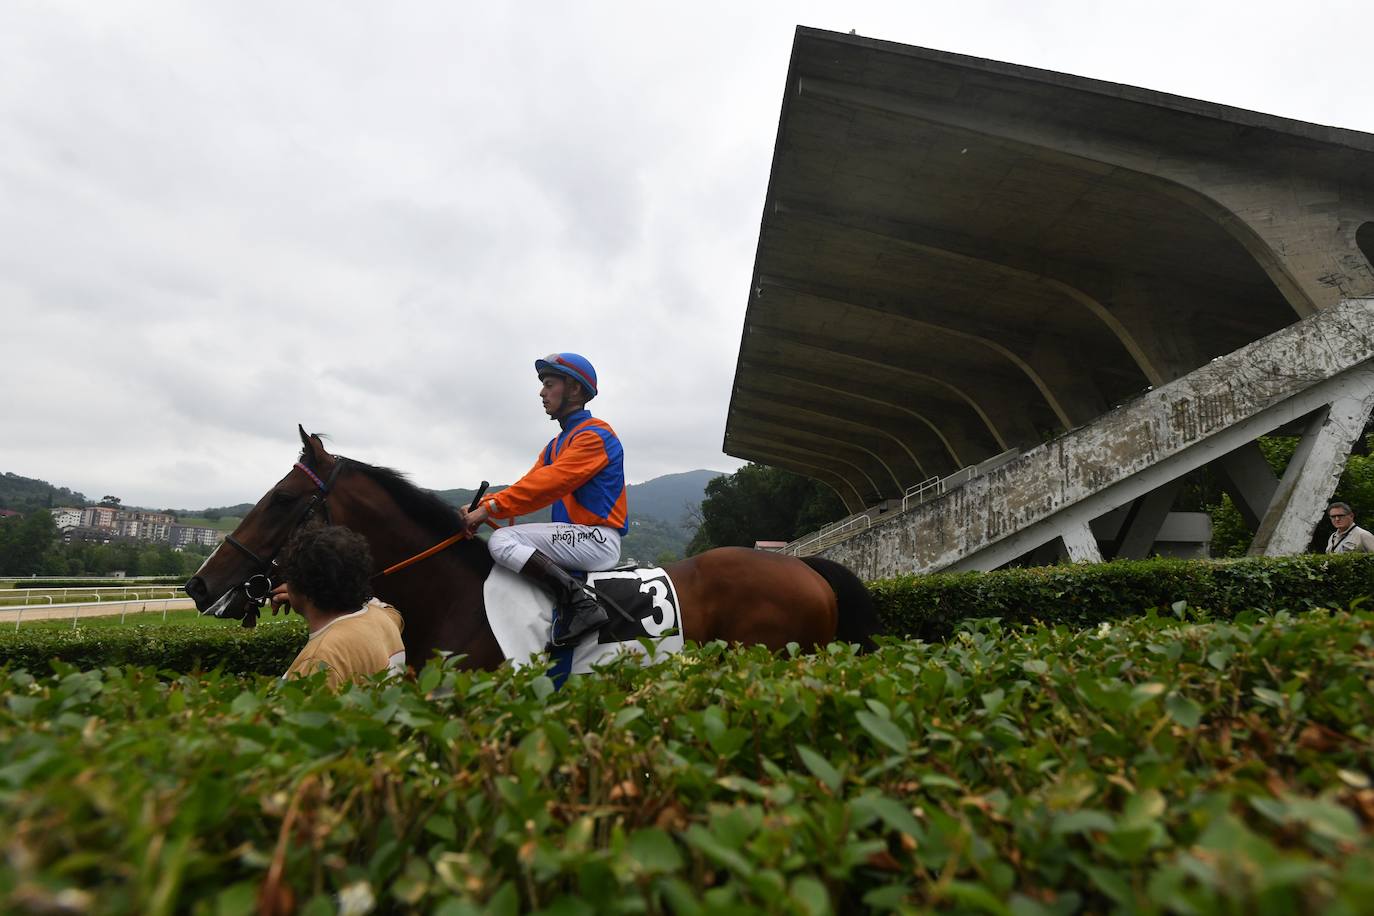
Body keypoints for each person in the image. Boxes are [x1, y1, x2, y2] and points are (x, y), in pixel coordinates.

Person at [458, 352, 627, 645]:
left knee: (502, 541)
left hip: (597, 539)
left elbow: (550, 483)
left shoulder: (595, 435)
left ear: (575, 389)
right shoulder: (556, 444)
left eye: (549, 385)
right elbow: (530, 484)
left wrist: (489, 508)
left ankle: (580, 604)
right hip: (576, 537)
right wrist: (484, 506)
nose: (541, 393)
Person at [268, 524, 406, 689]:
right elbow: (388, 609)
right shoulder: (384, 619)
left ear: (301, 587)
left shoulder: (319, 662)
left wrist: (299, 593)